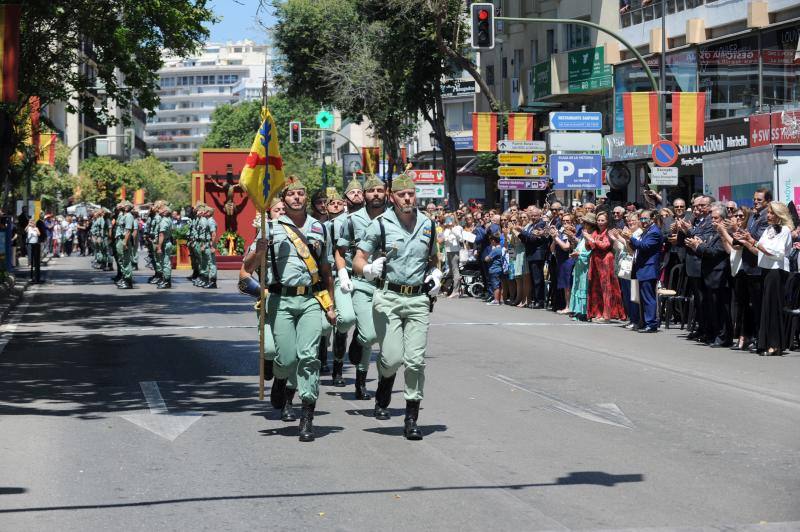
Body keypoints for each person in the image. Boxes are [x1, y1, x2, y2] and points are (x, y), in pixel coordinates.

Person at [353, 172, 441, 440]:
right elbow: (358, 259)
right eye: (402, 194)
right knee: (392, 359)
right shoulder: (380, 225)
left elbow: (434, 259)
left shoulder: (428, 224)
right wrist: (367, 269)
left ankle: (411, 416)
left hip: (417, 299)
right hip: (388, 297)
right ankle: (385, 380)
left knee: (415, 361)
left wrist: (436, 276)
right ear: (393, 197)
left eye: (411, 194)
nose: (407, 198)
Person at [251, 175, 336, 441]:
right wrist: (259, 251)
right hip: (281, 301)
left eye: (301, 193)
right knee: (287, 358)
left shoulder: (320, 229)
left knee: (309, 357)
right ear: (283, 199)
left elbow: (325, 269)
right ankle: (280, 377)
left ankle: (307, 417)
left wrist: (330, 305)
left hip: (311, 300)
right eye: (291, 194)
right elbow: (248, 267)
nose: (296, 197)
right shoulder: (271, 228)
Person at [335, 174, 387, 395]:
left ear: (386, 194)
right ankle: (343, 348)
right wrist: (343, 274)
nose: (375, 194)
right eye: (371, 190)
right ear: (365, 195)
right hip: (355, 279)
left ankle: (360, 380)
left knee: (370, 336)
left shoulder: (393, 220)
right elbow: (339, 252)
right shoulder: (351, 220)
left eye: (380, 190)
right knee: (349, 320)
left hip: (383, 283)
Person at [736, 201, 794, 355]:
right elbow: (759, 252)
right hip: (765, 270)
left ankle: (775, 345)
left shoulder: (785, 230)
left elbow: (776, 253)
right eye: (768, 212)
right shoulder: (768, 229)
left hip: (777, 272)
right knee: (765, 308)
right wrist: (747, 241)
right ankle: (767, 342)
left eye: (772, 213)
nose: (768, 215)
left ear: (779, 215)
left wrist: (754, 242)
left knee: (773, 308)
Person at [685, 203, 732, 346]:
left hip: (719, 274)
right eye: (712, 218)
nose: (713, 221)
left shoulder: (724, 233)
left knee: (721, 308)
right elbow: (708, 248)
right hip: (709, 274)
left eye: (716, 218)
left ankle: (723, 337)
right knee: (712, 307)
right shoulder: (713, 231)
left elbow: (715, 252)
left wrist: (698, 246)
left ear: (723, 219)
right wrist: (699, 244)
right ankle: (714, 334)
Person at [716, 206, 752, 350]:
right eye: (736, 216)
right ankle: (741, 336)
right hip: (735, 270)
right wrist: (723, 235)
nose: (737, 218)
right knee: (739, 305)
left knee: (744, 306)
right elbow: (729, 249)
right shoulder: (735, 231)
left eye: (741, 216)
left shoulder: (745, 231)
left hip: (745, 270)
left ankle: (744, 337)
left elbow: (737, 246)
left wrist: (724, 231)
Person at [626, 210, 664, 333]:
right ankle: (645, 322)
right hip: (642, 268)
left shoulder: (654, 232)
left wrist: (631, 237)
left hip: (649, 269)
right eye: (641, 219)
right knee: (643, 297)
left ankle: (651, 324)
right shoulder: (647, 231)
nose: (642, 221)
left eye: (645, 219)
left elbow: (644, 246)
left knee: (648, 297)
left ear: (652, 219)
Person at [585, 211, 626, 322]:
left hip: (606, 260)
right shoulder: (595, 232)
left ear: (607, 221)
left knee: (606, 288)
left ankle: (607, 314)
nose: (600, 222)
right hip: (595, 260)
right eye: (598, 220)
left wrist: (592, 240)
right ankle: (597, 312)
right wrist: (588, 239)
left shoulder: (608, 232)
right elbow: (589, 247)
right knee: (596, 287)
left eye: (602, 220)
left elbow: (605, 246)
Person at [519, 206, 549, 308]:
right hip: (531, 254)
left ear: (540, 215)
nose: (533, 217)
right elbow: (526, 239)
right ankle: (535, 299)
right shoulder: (532, 225)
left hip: (537, 254)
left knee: (537, 279)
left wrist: (522, 231)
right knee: (533, 279)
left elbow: (533, 238)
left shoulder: (541, 224)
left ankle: (539, 301)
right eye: (531, 216)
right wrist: (520, 233)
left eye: (535, 215)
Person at [569, 213, 594, 321]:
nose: (583, 224)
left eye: (586, 223)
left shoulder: (592, 234)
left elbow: (590, 250)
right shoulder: (585, 233)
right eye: (583, 222)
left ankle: (584, 312)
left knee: (584, 288)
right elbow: (581, 246)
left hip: (586, 265)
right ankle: (578, 310)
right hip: (579, 265)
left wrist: (579, 254)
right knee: (577, 287)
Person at [510, 213, 530, 307]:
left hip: (523, 252)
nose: (513, 222)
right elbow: (511, 244)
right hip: (516, 254)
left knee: (524, 277)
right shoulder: (513, 230)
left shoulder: (522, 229)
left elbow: (523, 240)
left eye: (515, 220)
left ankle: (525, 299)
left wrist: (514, 230)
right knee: (517, 277)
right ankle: (518, 297)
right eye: (512, 220)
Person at [442, 215, 464, 299]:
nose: (449, 221)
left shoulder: (458, 228)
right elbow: (444, 238)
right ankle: (446, 289)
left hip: (455, 251)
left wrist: (452, 229)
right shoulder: (446, 229)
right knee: (451, 270)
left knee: (455, 270)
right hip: (448, 251)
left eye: (450, 219)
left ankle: (456, 291)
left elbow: (461, 239)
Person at [116, 201, 136, 289]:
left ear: (127, 207)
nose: (121, 205)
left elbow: (128, 231)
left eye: (123, 205)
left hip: (124, 240)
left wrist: (125, 242)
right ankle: (124, 278)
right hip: (120, 239)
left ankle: (128, 281)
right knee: (122, 260)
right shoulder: (124, 215)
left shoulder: (129, 216)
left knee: (126, 261)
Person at [155, 202, 174, 289]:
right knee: (165, 262)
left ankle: (167, 282)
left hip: (165, 243)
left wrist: (159, 247)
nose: (159, 210)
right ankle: (166, 280)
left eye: (161, 209)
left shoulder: (164, 221)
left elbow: (161, 235)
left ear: (165, 211)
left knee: (165, 263)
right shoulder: (169, 220)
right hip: (167, 242)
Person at [484, 233, 503, 305]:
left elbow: (487, 259)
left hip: (494, 269)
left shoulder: (495, 250)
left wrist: (487, 256)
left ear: (493, 241)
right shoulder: (501, 249)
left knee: (495, 286)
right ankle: (500, 299)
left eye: (491, 241)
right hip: (500, 269)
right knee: (499, 285)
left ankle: (496, 300)